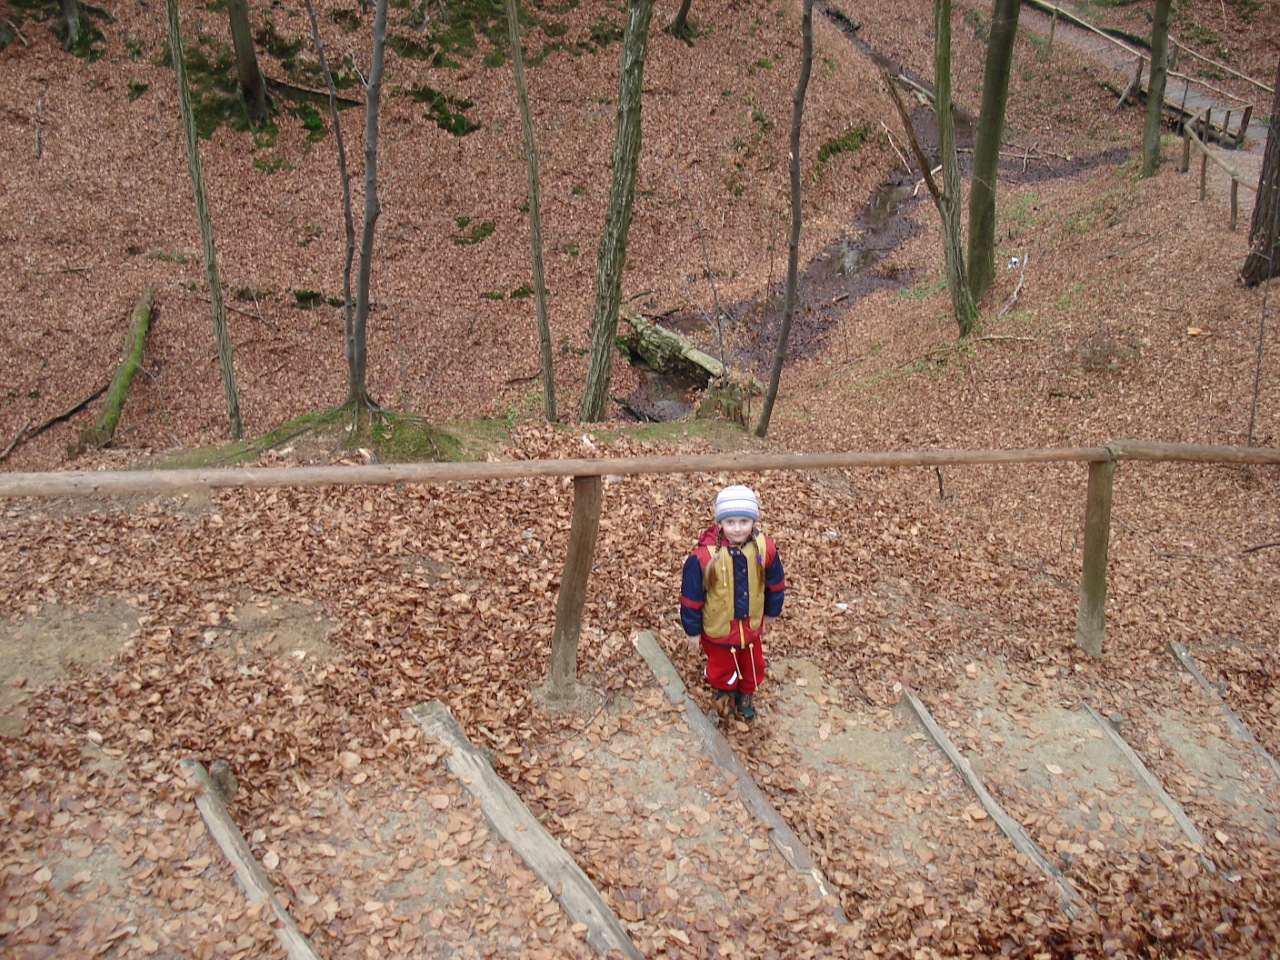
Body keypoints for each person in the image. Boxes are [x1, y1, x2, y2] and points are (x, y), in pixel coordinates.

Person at [679, 484, 785, 721]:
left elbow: (775, 583)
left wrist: (771, 612)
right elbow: (691, 598)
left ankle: (745, 695)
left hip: (750, 627)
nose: (737, 528)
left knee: (754, 664)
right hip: (719, 630)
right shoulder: (704, 557)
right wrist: (692, 631)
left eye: (744, 522)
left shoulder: (764, 548)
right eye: (730, 522)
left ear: (753, 521)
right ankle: (725, 691)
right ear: (720, 523)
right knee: (722, 667)